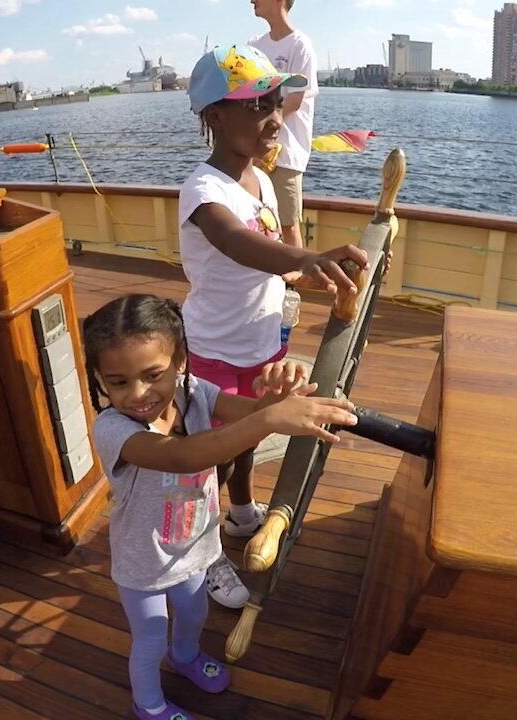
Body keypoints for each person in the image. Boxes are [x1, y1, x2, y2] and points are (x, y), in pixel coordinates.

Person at [84, 293, 357, 720]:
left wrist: (277, 394)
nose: (137, 393)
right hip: (144, 562)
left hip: (196, 548)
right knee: (150, 638)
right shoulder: (114, 427)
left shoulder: (195, 392)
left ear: (180, 362)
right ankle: (149, 704)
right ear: (100, 379)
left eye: (153, 375)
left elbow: (249, 412)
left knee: (195, 614)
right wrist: (269, 419)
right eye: (118, 382)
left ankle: (186, 656)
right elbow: (184, 456)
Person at [181, 44, 370, 609]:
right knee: (211, 458)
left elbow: (278, 262)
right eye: (257, 104)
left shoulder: (259, 183)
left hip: (261, 341)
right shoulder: (203, 192)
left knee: (252, 436)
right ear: (214, 116)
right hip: (215, 353)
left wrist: (310, 276)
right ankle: (207, 552)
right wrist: (306, 259)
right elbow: (242, 244)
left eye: (276, 100)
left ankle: (241, 514)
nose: (275, 116)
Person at [250, 0, 318, 251]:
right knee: (256, 219)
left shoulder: (300, 46)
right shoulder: (255, 46)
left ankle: (293, 283)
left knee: (288, 225)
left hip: (286, 153)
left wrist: (259, 126)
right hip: (255, 151)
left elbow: (295, 101)